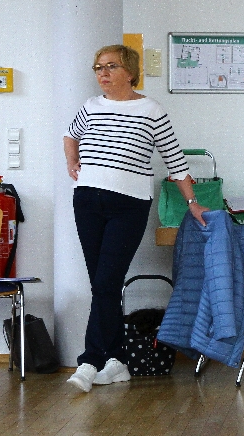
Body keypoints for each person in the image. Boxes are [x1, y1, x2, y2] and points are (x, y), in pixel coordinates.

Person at [63, 45, 207, 392]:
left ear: (130, 72)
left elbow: (175, 160)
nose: (103, 73)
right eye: (98, 67)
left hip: (128, 205)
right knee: (103, 284)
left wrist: (193, 203)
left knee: (106, 281)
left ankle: (90, 361)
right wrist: (72, 161)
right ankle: (116, 360)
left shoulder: (151, 110)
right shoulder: (91, 106)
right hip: (87, 201)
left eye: (111, 66)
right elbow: (70, 135)